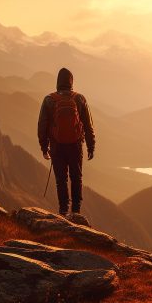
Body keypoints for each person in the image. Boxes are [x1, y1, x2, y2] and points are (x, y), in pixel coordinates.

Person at [38, 67, 95, 216]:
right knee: (76, 177)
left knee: (61, 180)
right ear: (71, 82)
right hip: (75, 145)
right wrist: (91, 146)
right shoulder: (79, 99)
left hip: (56, 146)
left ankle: (63, 210)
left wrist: (44, 148)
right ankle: (76, 211)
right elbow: (88, 125)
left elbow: (42, 125)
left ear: (58, 82)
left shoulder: (49, 100)